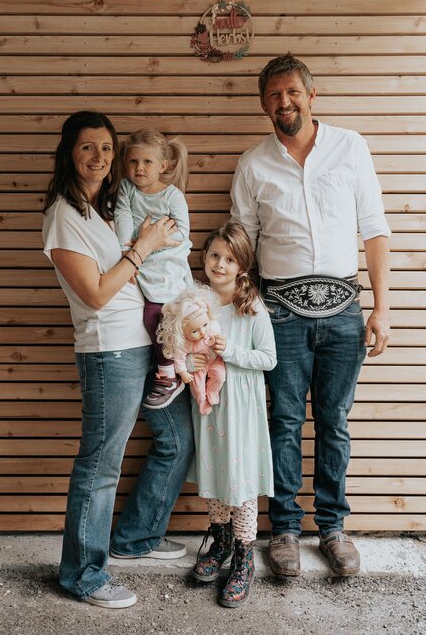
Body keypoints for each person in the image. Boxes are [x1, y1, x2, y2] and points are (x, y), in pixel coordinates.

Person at [230, 53, 391, 578]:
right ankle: (283, 531)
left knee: (334, 422)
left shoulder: (351, 147)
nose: (284, 102)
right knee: (282, 421)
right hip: (279, 313)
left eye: (292, 92)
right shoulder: (253, 164)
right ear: (263, 105)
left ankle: (333, 529)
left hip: (345, 312)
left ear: (311, 95)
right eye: (274, 96)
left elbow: (374, 229)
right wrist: (242, 311)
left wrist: (382, 308)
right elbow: (244, 243)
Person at [42, 111, 194, 609]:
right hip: (110, 350)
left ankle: (135, 536)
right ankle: (83, 575)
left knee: (177, 439)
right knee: (101, 463)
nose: (100, 157)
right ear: (70, 153)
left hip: (145, 340)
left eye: (107, 148)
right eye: (88, 147)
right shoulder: (64, 215)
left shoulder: (106, 206)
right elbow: (95, 293)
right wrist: (144, 247)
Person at [189, 223, 277, 608]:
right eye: (214, 255)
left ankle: (244, 556)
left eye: (229, 259)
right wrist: (190, 361)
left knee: (239, 478)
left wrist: (233, 352)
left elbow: (269, 359)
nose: (220, 264)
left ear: (242, 265)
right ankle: (221, 541)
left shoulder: (251, 306)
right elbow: (182, 344)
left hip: (241, 408)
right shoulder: (197, 302)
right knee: (216, 471)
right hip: (210, 408)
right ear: (204, 257)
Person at [114, 129, 193, 409]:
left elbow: (181, 233)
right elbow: (122, 214)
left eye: (147, 162)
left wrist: (149, 240)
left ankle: (168, 372)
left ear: (163, 166)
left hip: (167, 262)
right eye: (133, 161)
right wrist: (127, 246)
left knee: (157, 316)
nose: (139, 168)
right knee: (148, 317)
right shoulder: (127, 188)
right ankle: (170, 363)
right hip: (140, 259)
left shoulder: (172, 196)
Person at [157, 284, 226, 415]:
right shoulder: (186, 343)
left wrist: (220, 342)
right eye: (195, 331)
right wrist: (183, 373)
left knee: (220, 376)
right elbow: (179, 359)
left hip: (215, 361)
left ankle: (212, 392)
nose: (203, 332)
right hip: (198, 367)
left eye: (205, 324)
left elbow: (221, 338)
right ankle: (202, 402)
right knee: (197, 387)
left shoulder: (212, 328)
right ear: (182, 332)